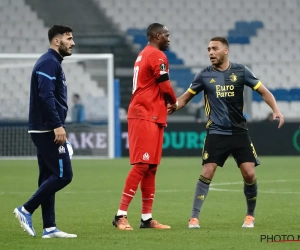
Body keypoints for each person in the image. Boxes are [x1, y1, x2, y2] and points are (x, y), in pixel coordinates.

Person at [168, 37, 284, 229]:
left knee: (249, 174)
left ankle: (250, 216)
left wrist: (276, 110)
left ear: (226, 50)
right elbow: (186, 98)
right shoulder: (203, 75)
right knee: (207, 170)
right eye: (208, 49)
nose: (210, 52)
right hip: (216, 132)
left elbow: (264, 92)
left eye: (214, 48)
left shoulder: (241, 71)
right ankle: (194, 218)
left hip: (239, 132)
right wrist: (174, 106)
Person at [13, 25, 77, 238]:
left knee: (48, 176)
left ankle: (49, 227)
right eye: (68, 38)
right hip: (47, 128)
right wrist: (57, 125)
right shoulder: (48, 62)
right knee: (63, 175)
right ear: (56, 41)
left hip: (45, 127)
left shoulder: (52, 63)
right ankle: (26, 209)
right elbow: (46, 96)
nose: (73, 42)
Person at [112, 23, 178, 230]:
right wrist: (174, 101)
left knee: (151, 168)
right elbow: (165, 84)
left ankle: (146, 218)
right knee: (142, 164)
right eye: (166, 35)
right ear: (157, 35)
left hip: (153, 114)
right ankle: (120, 215)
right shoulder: (156, 55)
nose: (169, 39)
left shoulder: (144, 54)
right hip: (144, 114)